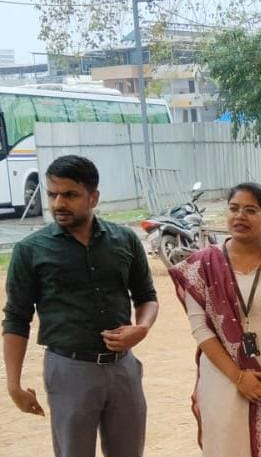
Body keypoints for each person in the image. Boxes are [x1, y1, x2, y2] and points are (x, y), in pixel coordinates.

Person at [4, 155, 159, 457]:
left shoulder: (124, 240)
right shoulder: (30, 251)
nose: (58, 203)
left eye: (70, 195)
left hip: (123, 369)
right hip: (69, 371)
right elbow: (16, 319)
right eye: (52, 194)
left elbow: (147, 297)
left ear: (93, 197)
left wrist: (141, 328)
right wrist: (13, 385)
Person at [167, 182, 261, 456]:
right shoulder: (202, 265)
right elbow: (201, 330)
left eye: (250, 210)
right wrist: (239, 378)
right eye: (234, 208)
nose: (240, 216)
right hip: (224, 380)